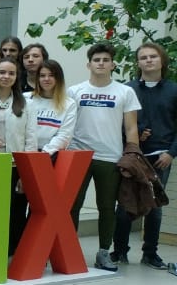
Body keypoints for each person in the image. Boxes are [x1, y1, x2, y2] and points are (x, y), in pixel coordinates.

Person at [68, 44, 141, 270]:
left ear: (113, 65)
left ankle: (103, 252)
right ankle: (68, 251)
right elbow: (66, 124)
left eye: (105, 60)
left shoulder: (125, 92)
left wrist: (132, 157)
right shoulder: (74, 91)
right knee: (72, 205)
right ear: (88, 64)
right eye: (97, 60)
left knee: (107, 207)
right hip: (78, 154)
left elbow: (131, 128)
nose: (101, 63)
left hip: (110, 157)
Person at [113, 42, 177, 268]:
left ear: (162, 61)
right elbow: (116, 123)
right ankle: (119, 251)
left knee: (154, 207)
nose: (148, 60)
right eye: (143, 57)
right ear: (138, 63)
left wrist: (171, 153)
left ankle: (150, 254)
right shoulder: (127, 89)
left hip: (161, 158)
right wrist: (135, 133)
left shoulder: (174, 90)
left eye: (153, 56)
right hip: (132, 156)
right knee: (125, 204)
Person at [0, 58, 37, 256]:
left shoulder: (27, 104)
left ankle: (12, 253)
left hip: (15, 166)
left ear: (17, 77)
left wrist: (26, 172)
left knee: (15, 211)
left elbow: (31, 139)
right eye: (2, 72)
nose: (6, 77)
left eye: (11, 73)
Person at [26, 59, 77, 156]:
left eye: (51, 75)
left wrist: (45, 153)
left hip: (50, 155)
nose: (46, 79)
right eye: (42, 75)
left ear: (58, 78)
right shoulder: (26, 98)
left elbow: (64, 135)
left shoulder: (69, 103)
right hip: (25, 152)